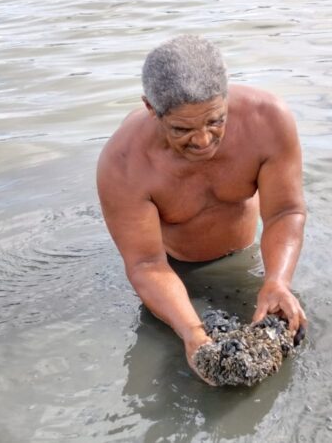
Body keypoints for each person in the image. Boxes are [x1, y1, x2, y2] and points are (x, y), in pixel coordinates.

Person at [96, 35, 307, 384]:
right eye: (182, 129)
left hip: (245, 260)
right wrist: (191, 332)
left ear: (226, 96)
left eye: (215, 121)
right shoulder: (122, 163)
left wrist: (277, 281)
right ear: (150, 108)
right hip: (172, 273)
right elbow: (146, 264)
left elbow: (285, 212)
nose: (203, 141)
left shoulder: (268, 120)